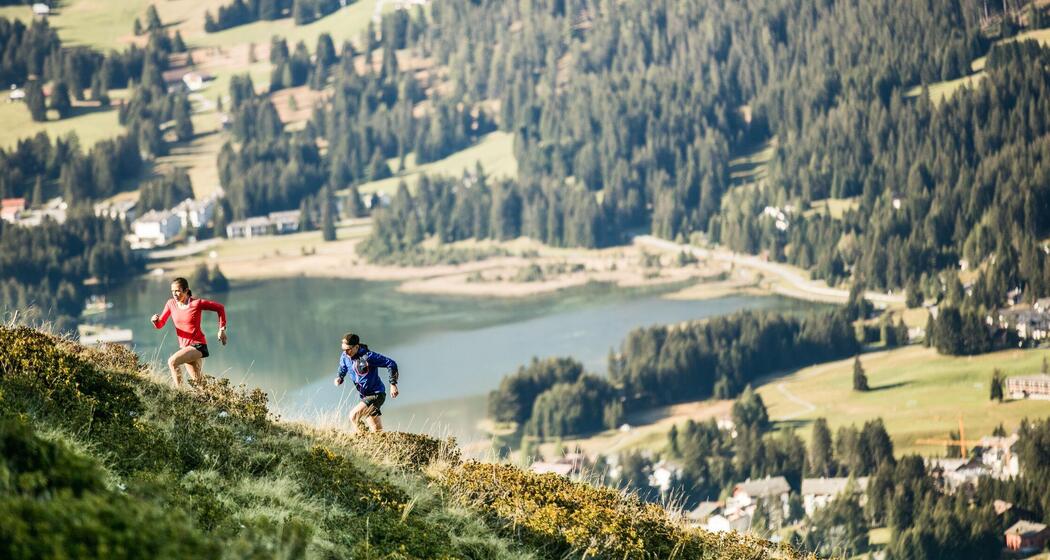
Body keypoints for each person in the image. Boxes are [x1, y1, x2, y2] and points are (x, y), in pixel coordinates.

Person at [150, 277, 227, 387]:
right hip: (185, 348)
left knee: (172, 362)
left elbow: (220, 308)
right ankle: (211, 400)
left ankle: (179, 394)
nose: (174, 294)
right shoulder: (170, 304)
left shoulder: (197, 303)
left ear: (186, 291)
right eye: (172, 291)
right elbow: (160, 324)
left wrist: (221, 329)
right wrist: (155, 321)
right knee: (200, 384)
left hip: (198, 345)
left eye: (177, 291)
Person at [333, 333, 399, 433]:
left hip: (376, 394)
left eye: (348, 349)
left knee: (353, 416)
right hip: (365, 396)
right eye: (343, 349)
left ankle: (361, 439)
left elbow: (391, 363)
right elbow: (343, 367)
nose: (346, 352)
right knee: (377, 432)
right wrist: (340, 377)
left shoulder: (367, 356)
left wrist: (393, 384)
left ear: (356, 347)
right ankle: (377, 445)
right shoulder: (345, 356)